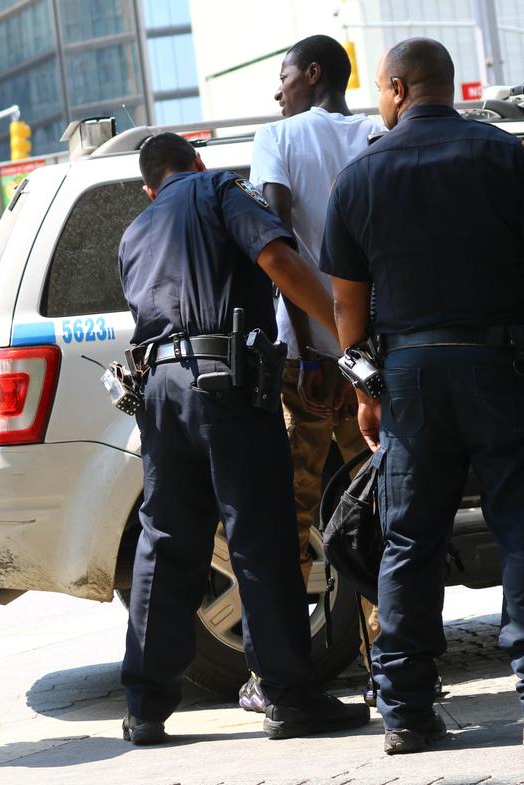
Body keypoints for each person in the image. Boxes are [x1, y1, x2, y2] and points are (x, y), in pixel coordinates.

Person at [320, 37, 524, 754]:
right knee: (523, 528)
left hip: (410, 383)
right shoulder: (502, 156)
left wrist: (367, 392)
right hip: (501, 372)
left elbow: (346, 309)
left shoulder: (358, 176)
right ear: (443, 86)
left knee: (409, 541)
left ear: (395, 89)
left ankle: (406, 713)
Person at [116, 133, 371, 745]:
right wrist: (344, 333)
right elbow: (281, 261)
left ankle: (145, 709)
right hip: (225, 384)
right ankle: (289, 695)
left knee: (167, 539)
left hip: (157, 392)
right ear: (197, 162)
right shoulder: (218, 188)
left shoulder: (134, 232)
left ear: (150, 187)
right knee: (262, 532)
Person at [240, 34, 385, 713]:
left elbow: (276, 238)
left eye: (284, 74)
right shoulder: (377, 132)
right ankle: (392, 665)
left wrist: (308, 350)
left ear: (314, 73)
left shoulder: (280, 138)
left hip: (311, 367)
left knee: (290, 518)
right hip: (376, 357)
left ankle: (285, 679)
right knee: (380, 510)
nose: (278, 89)